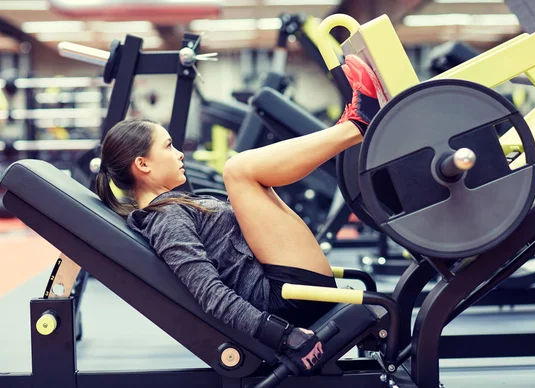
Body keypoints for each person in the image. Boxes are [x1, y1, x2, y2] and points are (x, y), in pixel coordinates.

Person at [95, 55, 383, 373]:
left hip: (288, 287)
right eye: (167, 146)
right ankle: (357, 125)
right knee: (238, 170)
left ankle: (352, 126)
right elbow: (209, 293)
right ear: (143, 165)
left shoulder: (172, 208)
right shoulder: (166, 220)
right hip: (286, 302)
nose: (179, 153)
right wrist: (283, 336)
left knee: (246, 175)